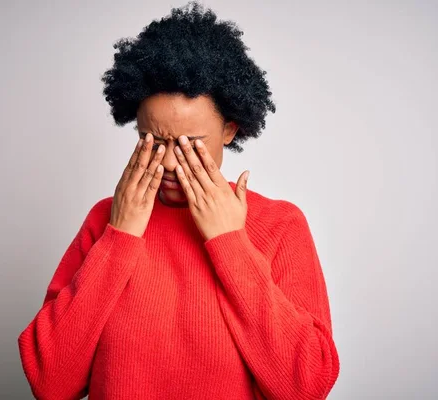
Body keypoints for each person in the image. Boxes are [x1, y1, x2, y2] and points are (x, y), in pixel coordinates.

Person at [18, 2, 340, 399]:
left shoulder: (279, 226)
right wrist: (119, 238)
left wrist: (230, 244)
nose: (169, 161)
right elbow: (51, 383)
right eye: (151, 139)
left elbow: (305, 386)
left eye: (190, 142)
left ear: (229, 129)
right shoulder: (107, 219)